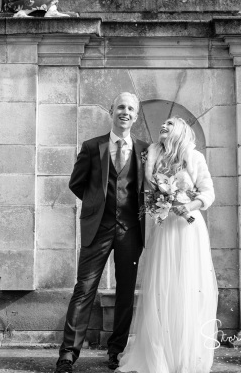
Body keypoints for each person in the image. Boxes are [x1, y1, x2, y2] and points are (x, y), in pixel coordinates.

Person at [54, 92, 149, 373]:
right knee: (83, 289)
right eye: (121, 107)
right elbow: (76, 183)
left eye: (131, 108)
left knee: (125, 292)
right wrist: (97, 203)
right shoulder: (92, 146)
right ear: (111, 110)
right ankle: (67, 355)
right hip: (98, 228)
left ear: (136, 114)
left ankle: (116, 352)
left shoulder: (145, 150)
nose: (125, 112)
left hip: (130, 230)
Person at [118, 117, 218, 373]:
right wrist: (161, 199)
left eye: (170, 123)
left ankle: (186, 357)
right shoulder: (154, 159)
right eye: (163, 123)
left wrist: (188, 206)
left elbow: (208, 193)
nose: (164, 125)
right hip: (164, 229)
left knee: (187, 287)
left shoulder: (194, 158)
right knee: (163, 289)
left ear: (182, 131)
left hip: (188, 229)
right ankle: (159, 357)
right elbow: (148, 190)